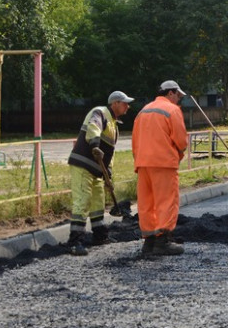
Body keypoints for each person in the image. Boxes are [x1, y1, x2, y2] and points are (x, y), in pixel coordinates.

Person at [65, 90, 134, 256]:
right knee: (83, 200)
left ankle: (100, 236)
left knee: (98, 203)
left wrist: (108, 174)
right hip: (83, 165)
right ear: (115, 103)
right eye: (125, 103)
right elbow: (93, 128)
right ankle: (75, 242)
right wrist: (95, 145)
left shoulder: (114, 126)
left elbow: (110, 154)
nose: (128, 106)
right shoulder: (100, 112)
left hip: (97, 170)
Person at [132, 80, 189, 256]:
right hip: (163, 162)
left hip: (143, 163)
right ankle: (162, 241)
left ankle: (149, 242)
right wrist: (178, 155)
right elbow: (181, 140)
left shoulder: (143, 111)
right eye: (178, 95)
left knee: (147, 203)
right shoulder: (172, 110)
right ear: (170, 93)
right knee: (166, 201)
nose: (179, 100)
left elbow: (134, 141)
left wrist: (139, 159)